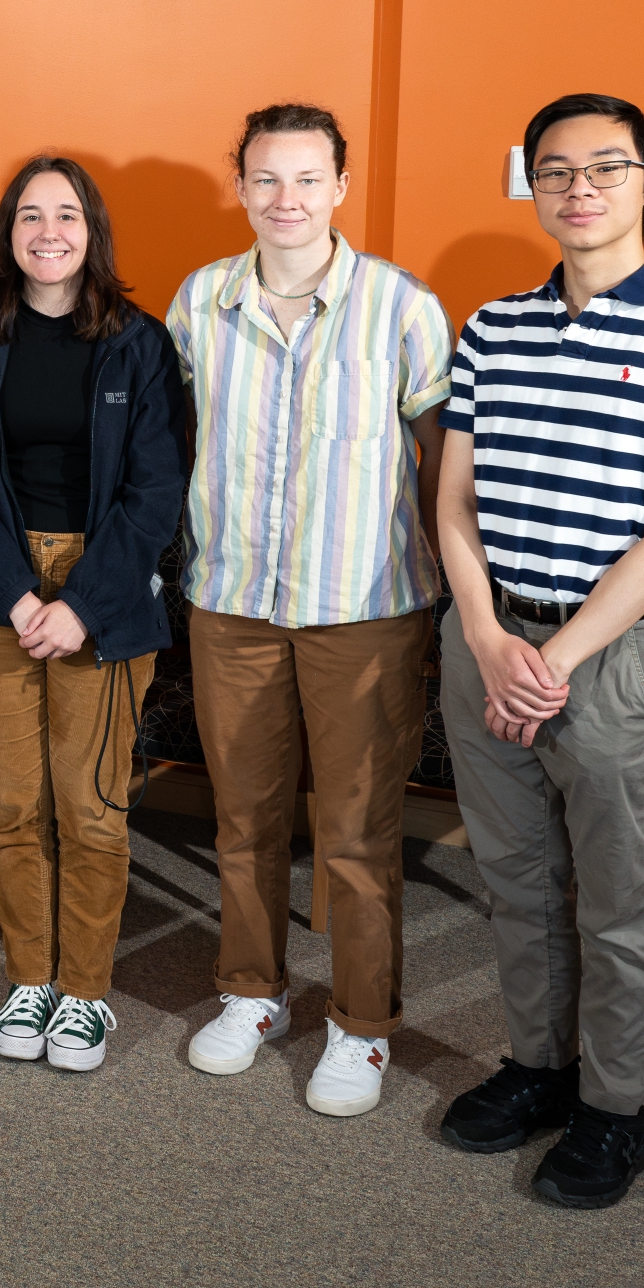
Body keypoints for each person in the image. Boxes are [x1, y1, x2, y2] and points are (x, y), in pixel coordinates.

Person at [434, 93, 644, 1209]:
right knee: (516, 880)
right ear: (533, 184)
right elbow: (453, 503)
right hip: (485, 636)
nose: (579, 188)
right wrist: (483, 634)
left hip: (610, 656)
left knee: (616, 899)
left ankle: (616, 1109)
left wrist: (554, 657)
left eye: (606, 167)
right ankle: (537, 1066)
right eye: (556, 169)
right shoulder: (490, 327)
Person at [169, 103, 452, 1117]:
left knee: (357, 831)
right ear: (239, 186)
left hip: (365, 609)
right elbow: (171, 441)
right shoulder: (200, 301)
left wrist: (454, 590)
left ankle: (361, 1024)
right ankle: (251, 992)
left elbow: (441, 464)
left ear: (339, 185)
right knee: (241, 819)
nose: (284, 198)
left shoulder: (401, 307)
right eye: (264, 179)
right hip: (232, 601)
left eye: (305, 178)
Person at [0, 156, 183, 1070]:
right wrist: (16, 593)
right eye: (29, 215)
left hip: (103, 591)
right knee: (12, 804)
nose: (48, 232)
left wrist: (79, 602)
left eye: (67, 215)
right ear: (7, 231)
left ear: (93, 230)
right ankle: (29, 978)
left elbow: (156, 491)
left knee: (90, 806)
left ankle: (84, 994)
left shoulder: (137, 341)